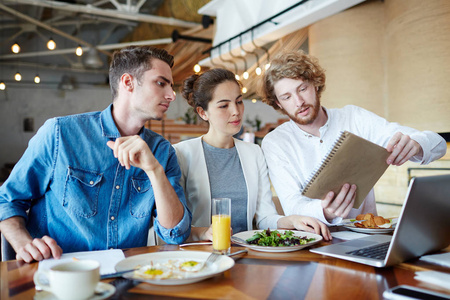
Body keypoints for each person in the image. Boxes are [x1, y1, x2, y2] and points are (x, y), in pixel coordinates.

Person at [0, 46, 192, 262]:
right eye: (161, 83)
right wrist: (24, 244)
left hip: (126, 280)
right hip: (60, 277)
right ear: (128, 82)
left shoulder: (162, 152)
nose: (172, 95)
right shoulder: (60, 134)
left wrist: (154, 170)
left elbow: (176, 234)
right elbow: (7, 200)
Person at [260, 50, 447, 225]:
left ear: (315, 85)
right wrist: (325, 211)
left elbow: (438, 144)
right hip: (312, 244)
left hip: (366, 236)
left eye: (302, 89)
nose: (298, 102)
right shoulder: (275, 142)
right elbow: (292, 206)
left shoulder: (354, 118)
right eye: (286, 97)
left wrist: (417, 144)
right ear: (278, 103)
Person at [173, 68, 331, 242]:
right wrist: (202, 232)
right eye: (224, 105)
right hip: (201, 256)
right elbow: (172, 226)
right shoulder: (182, 154)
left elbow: (265, 218)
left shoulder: (253, 152)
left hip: (247, 252)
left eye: (239, 101)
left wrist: (293, 219)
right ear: (203, 113)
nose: (236, 111)